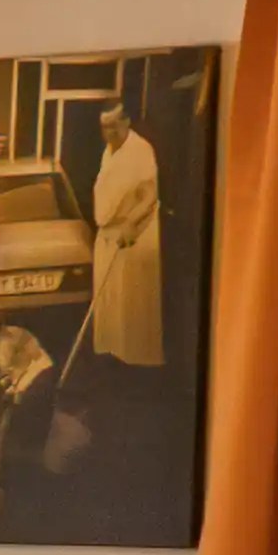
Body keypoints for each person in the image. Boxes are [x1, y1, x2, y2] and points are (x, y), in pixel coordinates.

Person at [88, 102, 164, 367]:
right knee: (109, 308)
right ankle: (112, 365)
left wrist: (131, 224)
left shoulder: (140, 150)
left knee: (131, 309)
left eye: (113, 125)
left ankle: (136, 372)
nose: (108, 132)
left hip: (133, 236)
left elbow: (149, 196)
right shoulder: (108, 151)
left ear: (127, 121)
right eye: (103, 126)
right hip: (108, 235)